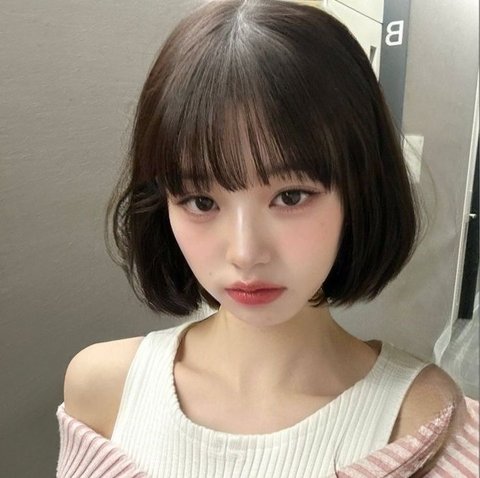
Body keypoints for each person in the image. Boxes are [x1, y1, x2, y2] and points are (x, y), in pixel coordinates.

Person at [56, 1, 479, 476]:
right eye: (201, 201)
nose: (245, 253)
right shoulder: (102, 388)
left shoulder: (427, 426)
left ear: (358, 191)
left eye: (291, 196)